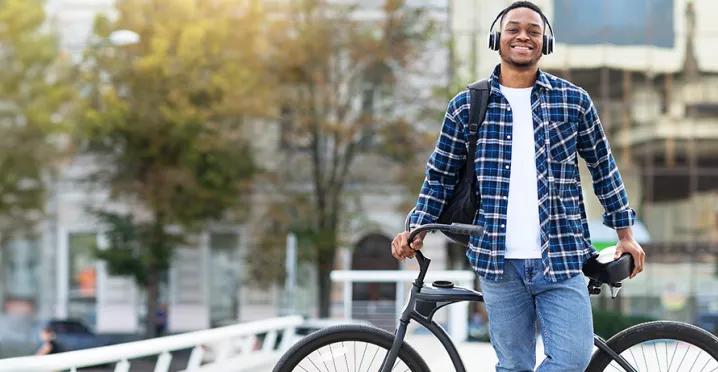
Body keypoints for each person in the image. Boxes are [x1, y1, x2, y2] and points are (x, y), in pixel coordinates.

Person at [391, 1, 646, 371]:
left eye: (533, 30)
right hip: (498, 263)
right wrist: (416, 227)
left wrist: (625, 233)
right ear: (498, 38)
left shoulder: (573, 101)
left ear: (546, 42)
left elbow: (603, 168)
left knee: (572, 363)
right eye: (513, 29)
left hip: (561, 258)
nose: (523, 36)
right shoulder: (467, 106)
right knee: (513, 366)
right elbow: (440, 175)